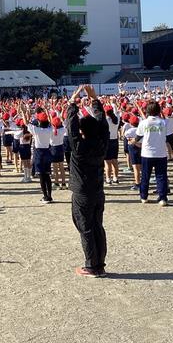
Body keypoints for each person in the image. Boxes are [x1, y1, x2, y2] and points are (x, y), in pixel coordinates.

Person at [66, 85, 109, 278]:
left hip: (83, 192)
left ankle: (92, 266)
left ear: (82, 132)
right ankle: (99, 263)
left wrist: (72, 102)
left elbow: (71, 125)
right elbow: (102, 124)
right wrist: (94, 100)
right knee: (97, 225)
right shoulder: (102, 142)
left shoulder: (79, 147)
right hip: (98, 190)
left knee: (86, 228)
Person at [135, 100, 170, 206]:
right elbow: (168, 137)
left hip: (147, 153)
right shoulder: (163, 122)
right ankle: (162, 198)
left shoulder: (144, 123)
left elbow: (138, 136)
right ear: (159, 110)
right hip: (160, 152)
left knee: (145, 176)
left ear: (147, 111)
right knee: (161, 175)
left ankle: (143, 196)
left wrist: (134, 141)